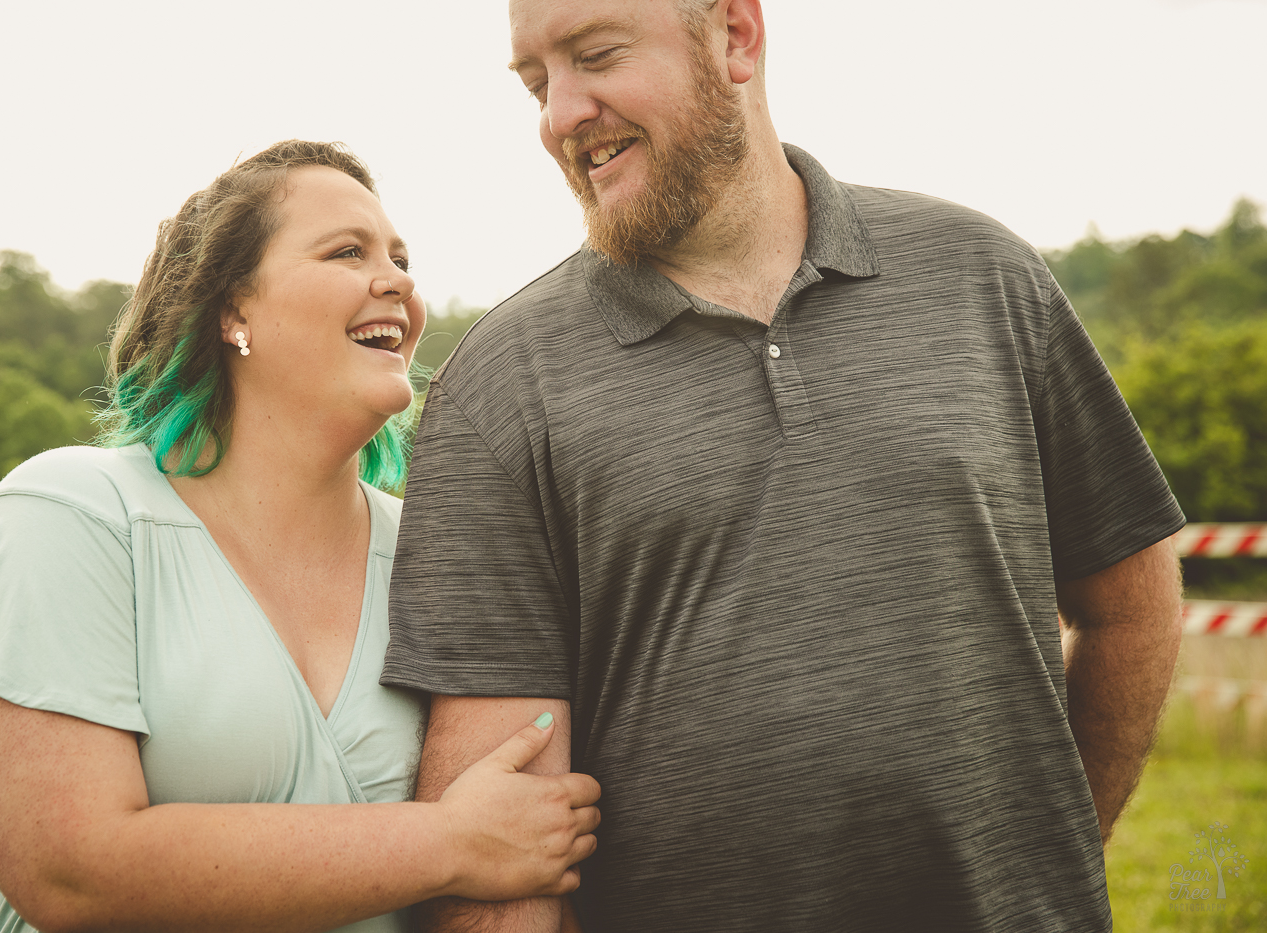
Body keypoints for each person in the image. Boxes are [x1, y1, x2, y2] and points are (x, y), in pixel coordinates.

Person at [379, 2, 1185, 931]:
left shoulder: (984, 275)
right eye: (534, 83)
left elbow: (1131, 595)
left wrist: (1048, 862)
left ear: (735, 36)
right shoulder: (501, 388)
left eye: (595, 56)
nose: (560, 114)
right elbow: (500, 833)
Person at [0, 139, 600, 933]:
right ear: (233, 309)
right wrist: (451, 841)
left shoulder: (435, 555)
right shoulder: (71, 515)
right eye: (347, 251)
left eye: (402, 258)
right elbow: (72, 872)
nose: (398, 280)